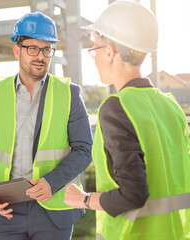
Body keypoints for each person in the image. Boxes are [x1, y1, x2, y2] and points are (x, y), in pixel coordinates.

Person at [63, 1, 190, 239]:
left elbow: (133, 194)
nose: (94, 57)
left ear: (110, 52)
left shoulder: (116, 107)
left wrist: (83, 199)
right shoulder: (171, 106)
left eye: (94, 49)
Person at [0, 12, 92, 240]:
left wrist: (51, 183)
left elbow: (84, 149)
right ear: (17, 50)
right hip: (6, 210)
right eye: (33, 49)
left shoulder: (69, 93)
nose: (41, 56)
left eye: (47, 49)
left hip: (53, 208)